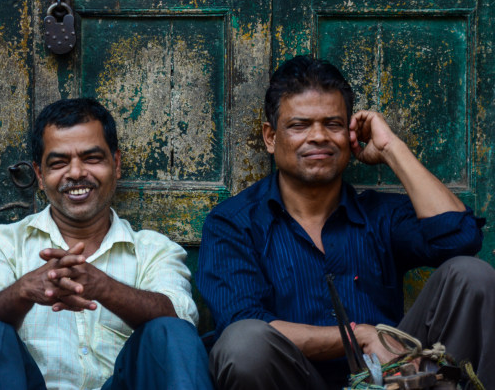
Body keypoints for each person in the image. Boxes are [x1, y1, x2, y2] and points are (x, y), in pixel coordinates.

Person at [196, 55, 494, 389]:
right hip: (296, 381)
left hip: (395, 381)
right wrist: (360, 336)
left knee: (472, 276)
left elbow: (460, 237)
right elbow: (242, 323)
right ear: (270, 137)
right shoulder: (234, 223)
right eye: (299, 125)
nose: (319, 136)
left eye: (333, 124)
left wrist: (391, 147)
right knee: (245, 341)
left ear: (349, 135)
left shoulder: (380, 213)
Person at [0, 98, 212, 390]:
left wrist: (103, 286)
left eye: (92, 158)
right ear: (40, 175)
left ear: (115, 164)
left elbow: (181, 321)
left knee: (170, 330)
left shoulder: (155, 250)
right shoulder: (0, 243)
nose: (76, 173)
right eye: (58, 163)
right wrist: (24, 291)